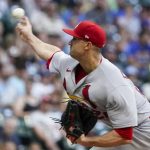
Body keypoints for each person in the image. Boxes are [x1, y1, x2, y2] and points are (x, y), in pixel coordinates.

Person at [16, 16, 150, 150]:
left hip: (143, 132)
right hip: (122, 130)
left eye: (75, 39)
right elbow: (52, 53)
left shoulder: (113, 84)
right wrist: (29, 36)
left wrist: (85, 141)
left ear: (88, 45)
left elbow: (124, 136)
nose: (70, 42)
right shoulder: (71, 64)